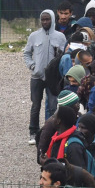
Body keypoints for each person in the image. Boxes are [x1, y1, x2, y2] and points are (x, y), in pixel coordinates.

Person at [23, 9, 67, 145]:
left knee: (53, 106)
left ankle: (51, 132)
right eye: (43, 19)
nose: (45, 22)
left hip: (52, 78)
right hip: (37, 77)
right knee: (36, 106)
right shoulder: (34, 36)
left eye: (47, 19)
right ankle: (33, 132)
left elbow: (64, 56)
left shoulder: (60, 37)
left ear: (52, 20)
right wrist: (32, 66)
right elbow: (26, 53)